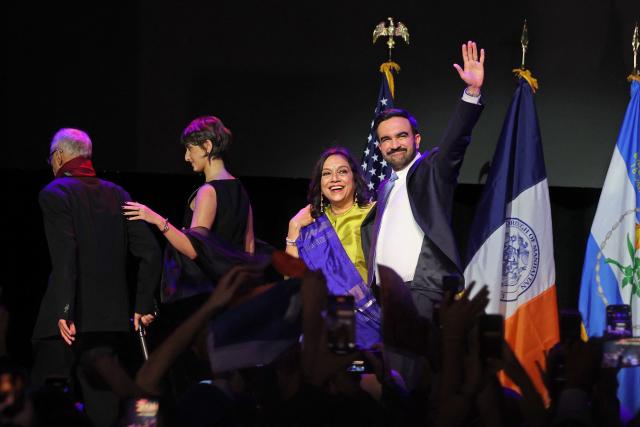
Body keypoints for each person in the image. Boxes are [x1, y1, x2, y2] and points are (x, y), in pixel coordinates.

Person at [32, 128, 162, 427]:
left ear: (61, 156)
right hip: (110, 324)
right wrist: (142, 305)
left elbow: (66, 254)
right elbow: (151, 252)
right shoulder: (118, 194)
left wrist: (65, 309)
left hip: (65, 325)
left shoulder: (55, 192)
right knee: (104, 412)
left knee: (48, 408)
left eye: (51, 158)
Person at [368, 41, 486, 321]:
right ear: (380, 147)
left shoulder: (433, 170)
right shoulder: (385, 188)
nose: (394, 144)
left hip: (421, 292)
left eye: (401, 136)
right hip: (383, 298)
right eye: (386, 139)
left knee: (415, 364)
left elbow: (455, 142)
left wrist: (472, 93)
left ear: (416, 139)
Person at [123, 115, 256, 304]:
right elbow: (249, 248)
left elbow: (194, 250)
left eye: (190, 149)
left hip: (209, 293)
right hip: (234, 292)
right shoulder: (240, 189)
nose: (186, 157)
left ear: (207, 147)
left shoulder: (208, 192)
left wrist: (155, 218)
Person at [286, 147, 381, 349]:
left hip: (366, 317)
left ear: (355, 179)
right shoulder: (309, 224)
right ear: (320, 184)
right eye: (327, 173)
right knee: (331, 378)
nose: (334, 178)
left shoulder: (374, 216)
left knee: (364, 377)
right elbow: (291, 282)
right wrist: (293, 229)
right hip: (323, 318)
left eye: (342, 171)